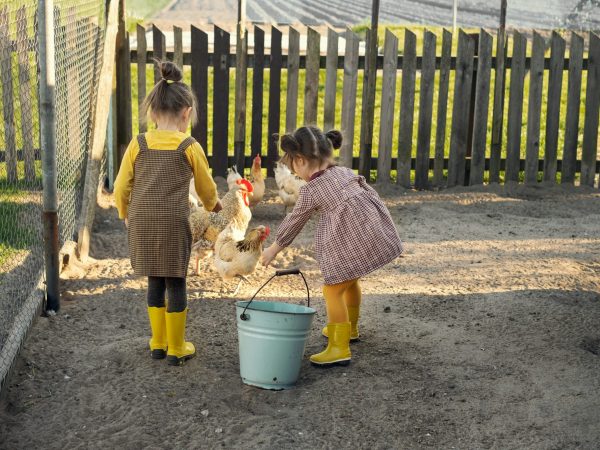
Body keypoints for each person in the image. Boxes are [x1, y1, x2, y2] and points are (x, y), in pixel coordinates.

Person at [261, 126, 403, 366]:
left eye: (293, 167)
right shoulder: (345, 172)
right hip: (370, 234)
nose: (295, 172)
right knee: (350, 280)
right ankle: (351, 329)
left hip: (353, 241)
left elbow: (294, 221)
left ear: (300, 160)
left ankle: (339, 348)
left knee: (332, 290)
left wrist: (273, 249)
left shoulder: (311, 190)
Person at [114, 60, 221, 366]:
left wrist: (125, 212)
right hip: (175, 222)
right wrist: (215, 207)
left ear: (152, 112)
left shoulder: (139, 143)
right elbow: (206, 187)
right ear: (186, 112)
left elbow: (122, 186)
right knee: (176, 281)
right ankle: (176, 347)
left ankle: (157, 342)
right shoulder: (189, 145)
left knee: (154, 280)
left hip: (142, 219)